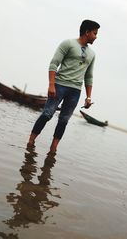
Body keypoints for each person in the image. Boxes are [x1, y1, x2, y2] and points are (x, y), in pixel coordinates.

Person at [28, 20, 100, 153]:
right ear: (87, 32)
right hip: (60, 85)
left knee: (64, 120)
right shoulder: (68, 44)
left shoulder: (92, 54)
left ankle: (53, 149)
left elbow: (88, 76)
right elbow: (54, 64)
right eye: (95, 33)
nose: (96, 36)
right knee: (47, 114)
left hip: (75, 91)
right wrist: (51, 85)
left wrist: (88, 97)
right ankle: (31, 141)